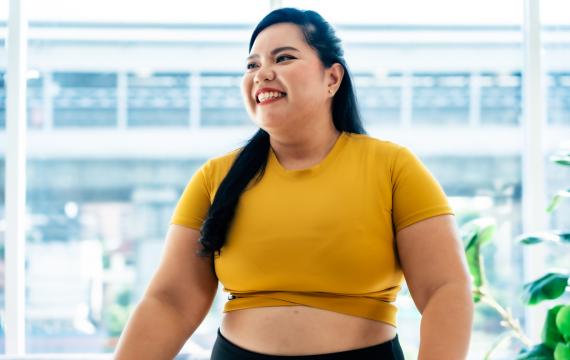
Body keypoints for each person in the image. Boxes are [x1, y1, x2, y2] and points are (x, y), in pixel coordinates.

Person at [114, 7, 473, 360]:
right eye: (252, 64)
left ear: (332, 78)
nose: (262, 73)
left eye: (283, 58)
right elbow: (171, 303)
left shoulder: (393, 167)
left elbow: (446, 290)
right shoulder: (215, 178)